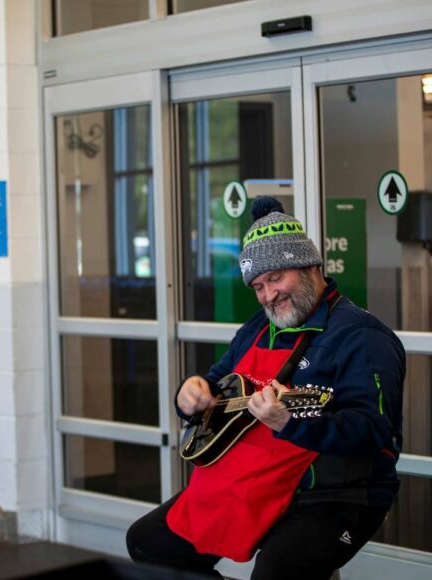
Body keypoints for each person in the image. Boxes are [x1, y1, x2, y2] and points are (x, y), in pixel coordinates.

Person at [126, 196, 405, 579]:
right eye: (258, 286)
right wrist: (190, 393)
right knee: (148, 543)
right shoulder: (258, 328)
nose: (268, 295)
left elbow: (373, 430)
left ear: (310, 266)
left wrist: (290, 423)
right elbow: (217, 381)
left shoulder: (363, 337)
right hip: (250, 480)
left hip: (336, 494)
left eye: (276, 278)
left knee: (276, 572)